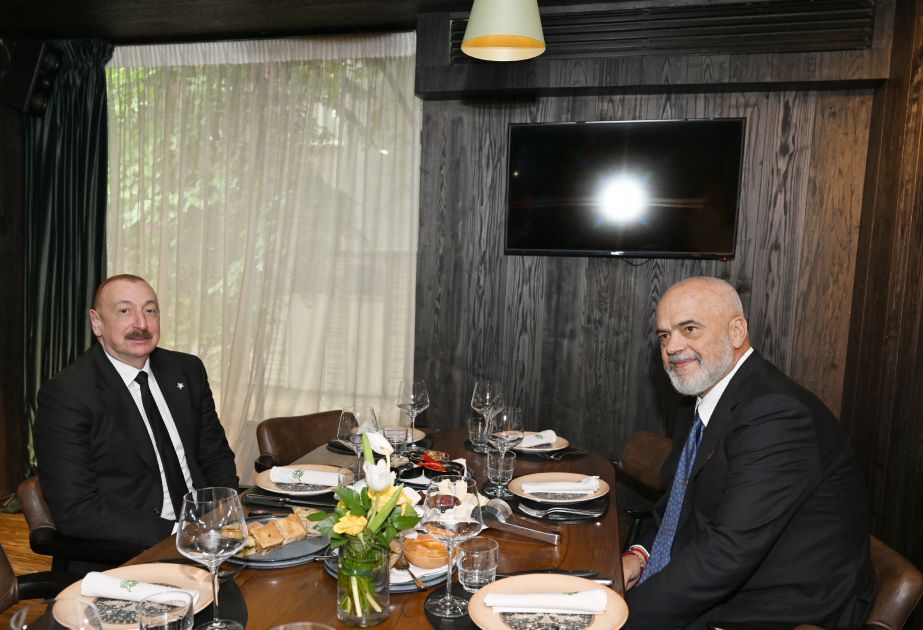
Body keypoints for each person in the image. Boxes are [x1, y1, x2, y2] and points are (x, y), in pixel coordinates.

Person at [622, 277, 875, 629]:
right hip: (726, 575)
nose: (672, 347)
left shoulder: (775, 414)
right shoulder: (698, 400)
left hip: (786, 606)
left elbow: (728, 552)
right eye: (664, 335)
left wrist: (623, 616)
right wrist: (640, 556)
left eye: (689, 329)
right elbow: (679, 505)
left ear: (737, 331)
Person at [35, 274, 238, 547]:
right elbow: (76, 511)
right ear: (97, 322)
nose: (141, 324)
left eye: (150, 311)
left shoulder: (187, 371)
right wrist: (181, 533)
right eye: (124, 311)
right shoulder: (68, 394)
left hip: (208, 532)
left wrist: (225, 515)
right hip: (130, 548)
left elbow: (215, 455)